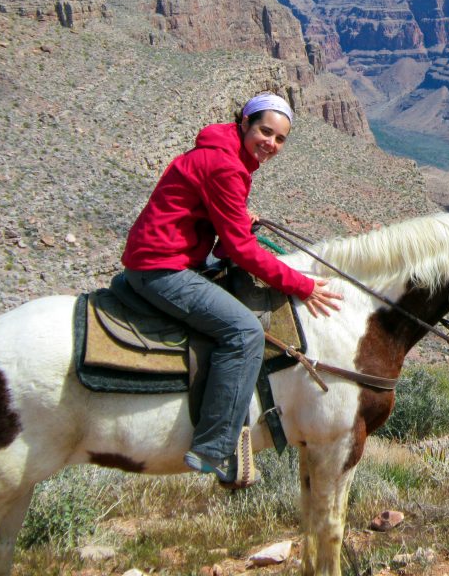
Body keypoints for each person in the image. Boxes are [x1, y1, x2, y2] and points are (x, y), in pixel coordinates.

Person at [121, 92, 341, 484]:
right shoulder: (226, 166)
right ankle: (214, 446)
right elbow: (239, 251)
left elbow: (224, 236)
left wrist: (238, 220)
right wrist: (303, 285)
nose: (270, 144)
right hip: (162, 268)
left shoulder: (230, 154)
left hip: (171, 255)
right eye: (265, 132)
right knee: (243, 333)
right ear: (245, 123)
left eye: (280, 139)